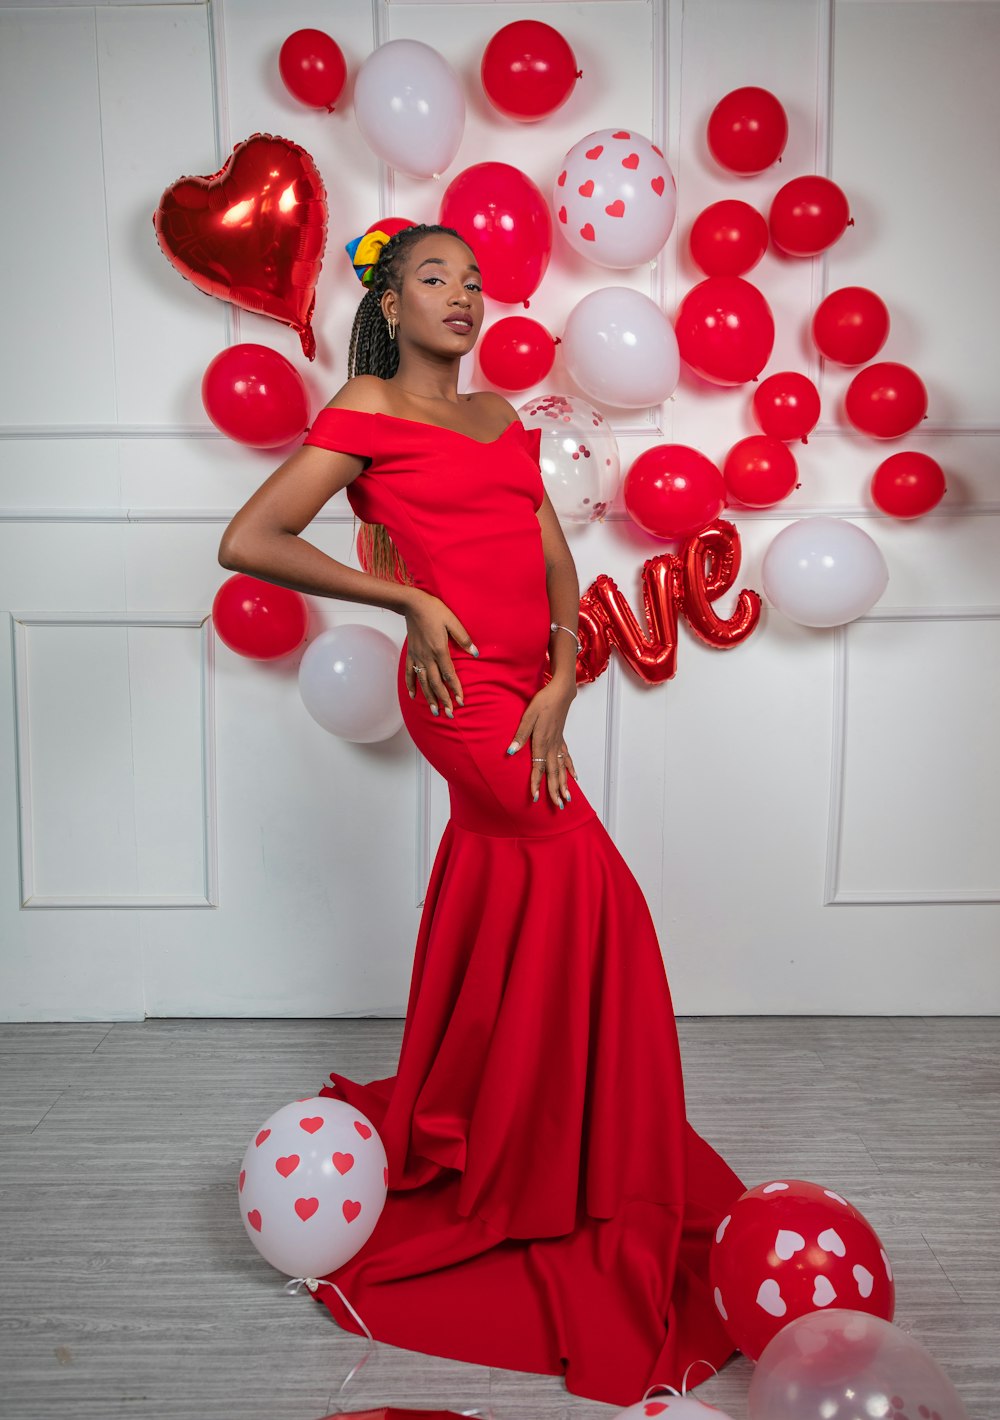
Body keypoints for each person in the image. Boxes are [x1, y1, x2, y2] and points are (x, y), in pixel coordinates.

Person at [218, 222, 745, 1407]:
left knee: (531, 890)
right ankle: (558, 1156)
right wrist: (403, 596)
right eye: (432, 279)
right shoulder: (364, 407)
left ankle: (526, 1118)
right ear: (391, 308)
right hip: (456, 695)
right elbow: (248, 539)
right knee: (591, 884)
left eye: (470, 277)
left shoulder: (504, 420)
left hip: (531, 688)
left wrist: (564, 673)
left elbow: (552, 552)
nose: (461, 294)